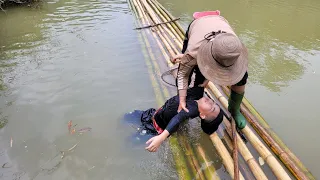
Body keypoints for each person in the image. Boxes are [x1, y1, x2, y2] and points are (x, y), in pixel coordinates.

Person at [171, 11, 249, 130]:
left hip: (220, 24)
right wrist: (182, 99)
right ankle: (186, 103)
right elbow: (182, 75)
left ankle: (234, 109)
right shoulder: (194, 51)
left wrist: (210, 77)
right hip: (199, 27)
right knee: (195, 74)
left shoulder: (233, 48)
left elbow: (221, 62)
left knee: (241, 77)